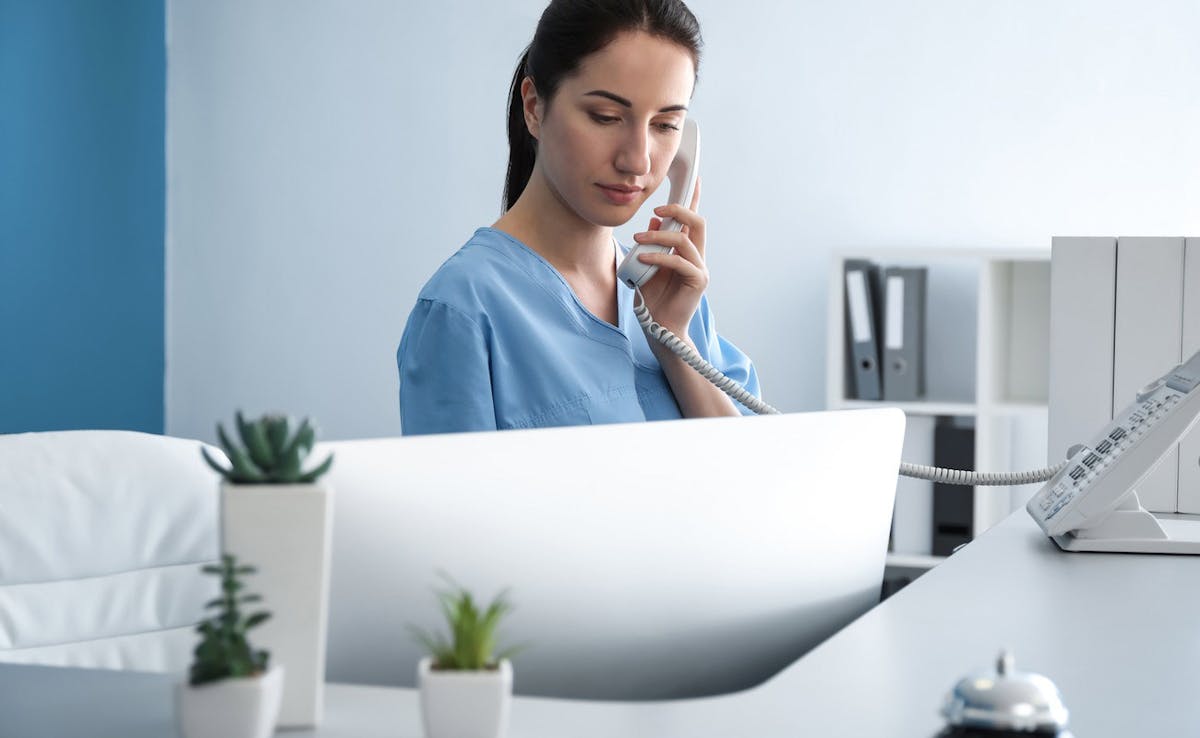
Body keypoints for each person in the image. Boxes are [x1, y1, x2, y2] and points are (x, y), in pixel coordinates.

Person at [397, 0, 761, 435]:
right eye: (606, 117)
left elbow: (748, 472)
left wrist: (673, 341)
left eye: (665, 125)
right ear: (534, 107)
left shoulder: (672, 296)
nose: (638, 161)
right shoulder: (464, 310)